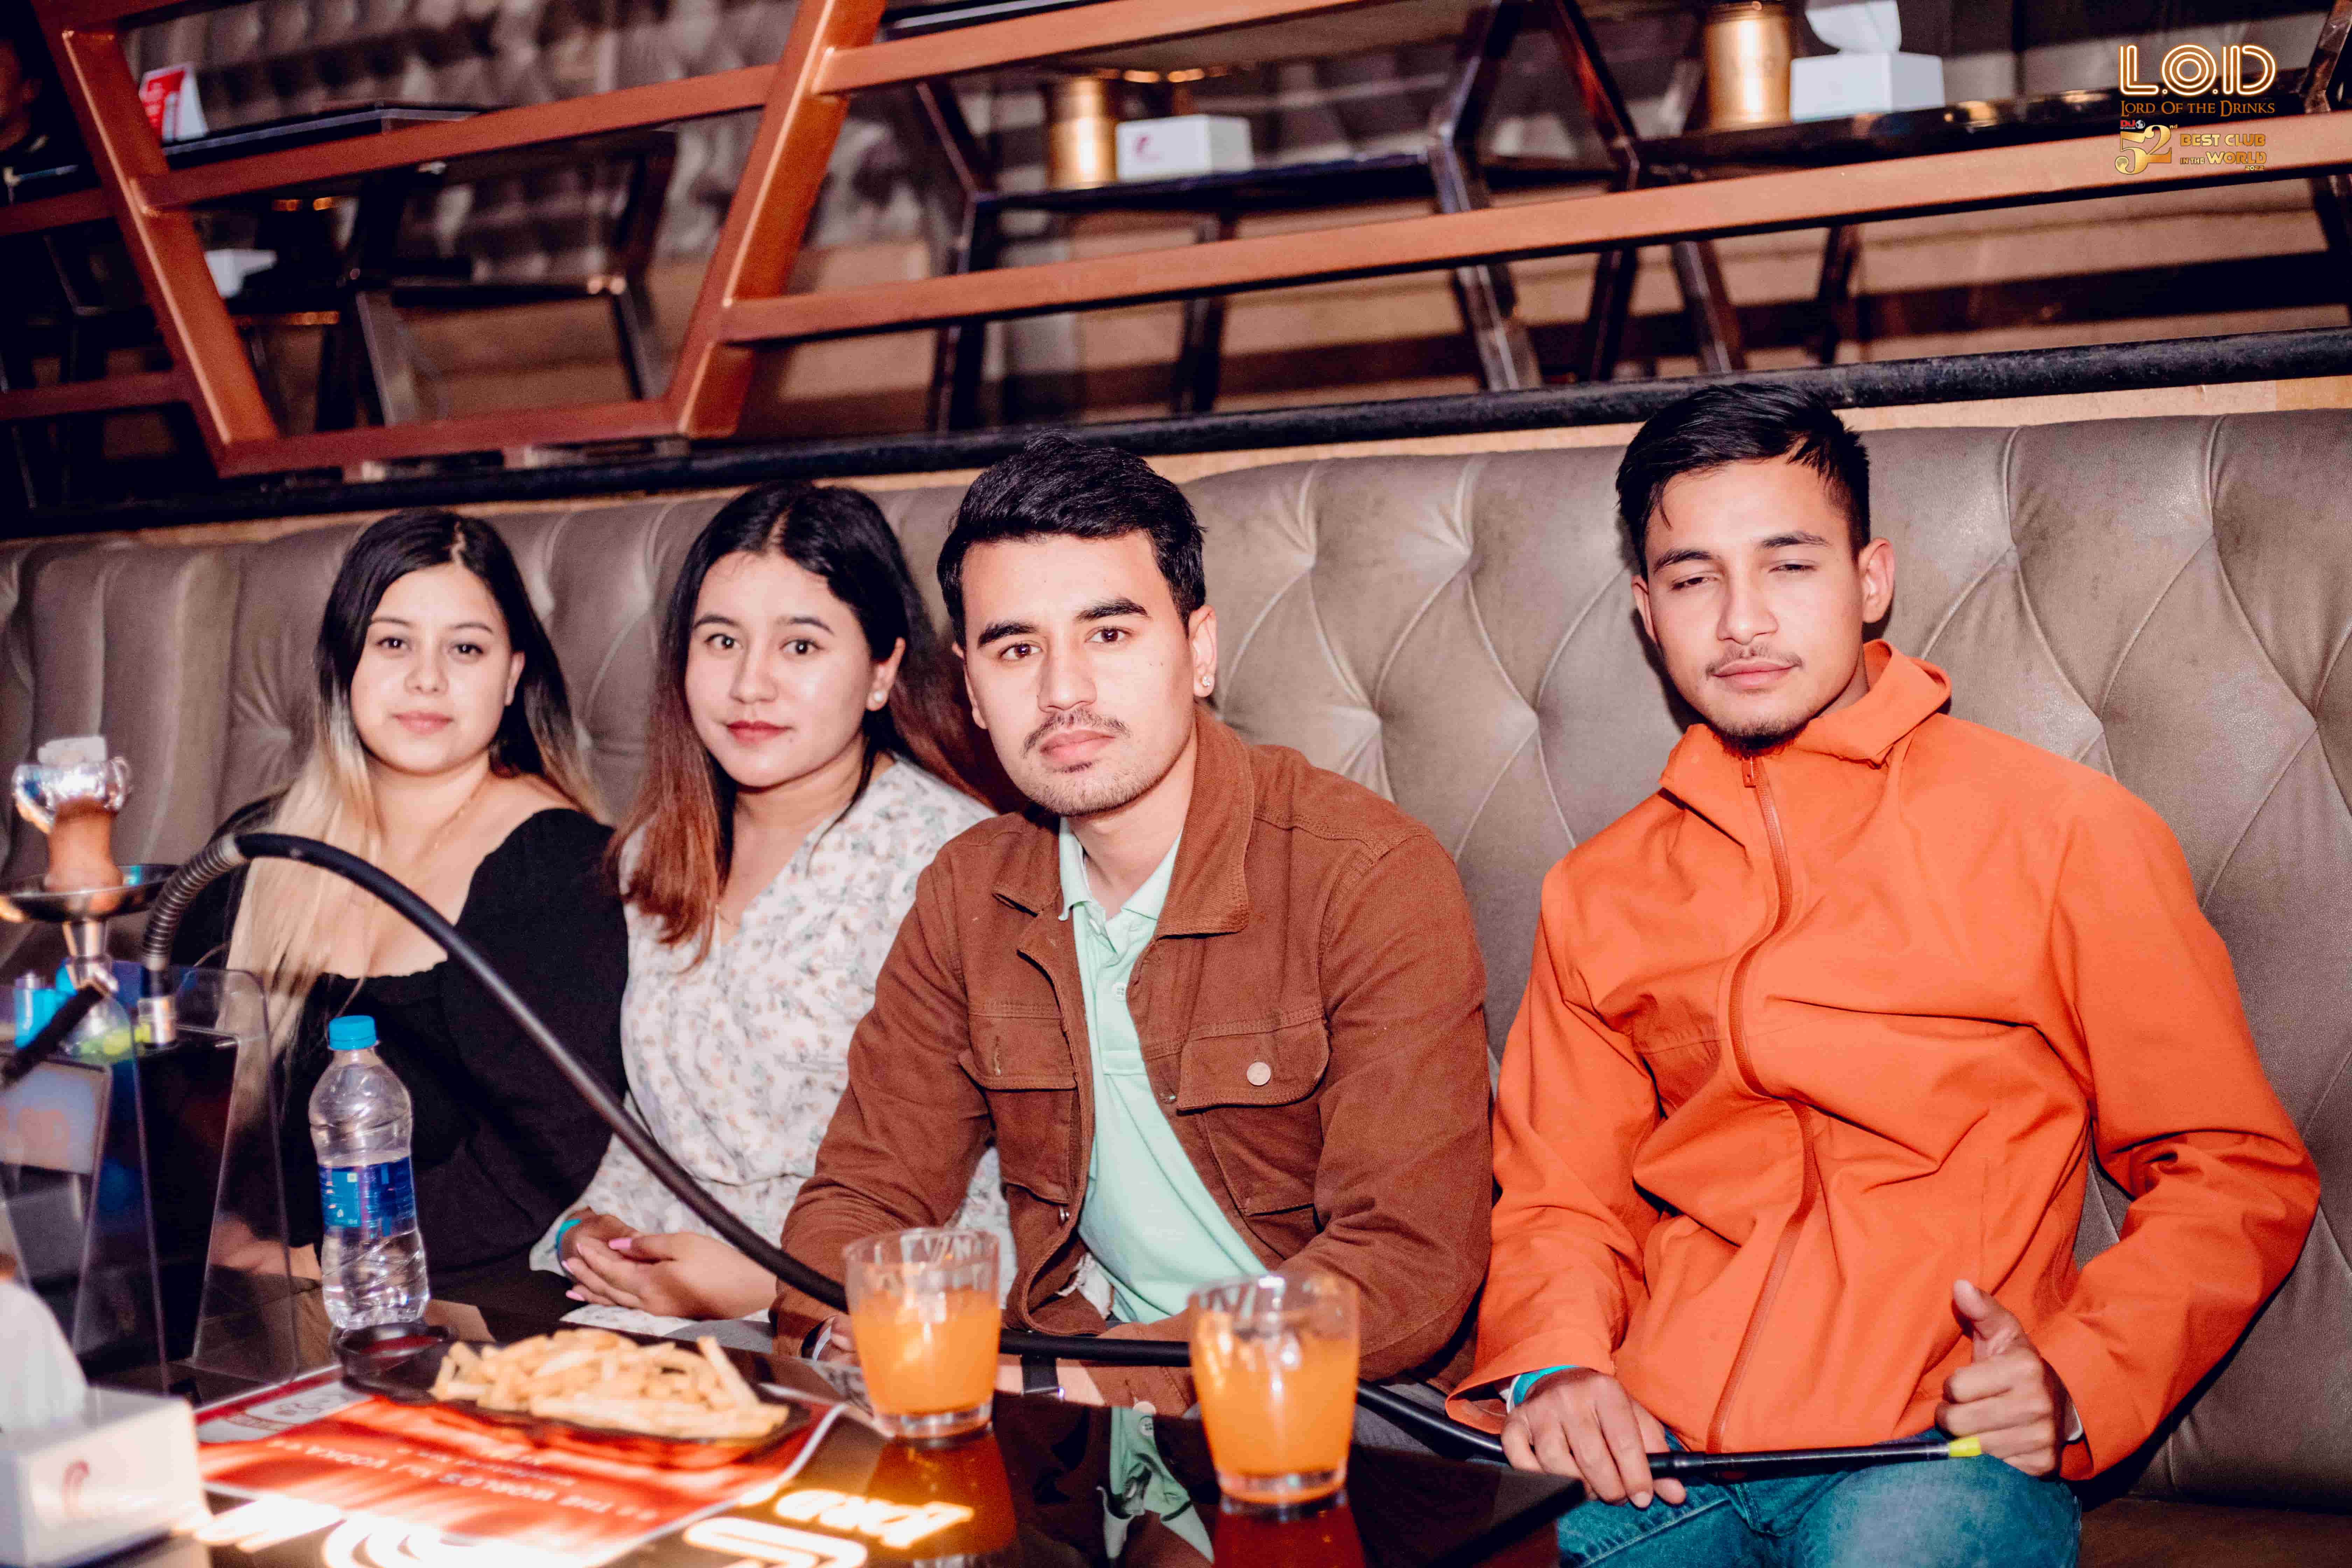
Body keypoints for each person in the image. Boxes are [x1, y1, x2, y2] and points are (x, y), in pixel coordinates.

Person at [1456, 384, 2320, 1567]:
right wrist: (1556, 1368)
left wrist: (2076, 1377)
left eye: (1789, 565)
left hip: (1935, 1451)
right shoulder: (1600, 889)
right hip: (1660, 1458)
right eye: (1695, 579)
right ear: (1648, 614)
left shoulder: (2063, 831)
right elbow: (1561, 1198)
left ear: (1871, 581)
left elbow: (2232, 1169)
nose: (1743, 621)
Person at [778, 435, 1494, 1418]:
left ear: (1199, 651)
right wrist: (857, 1337)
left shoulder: (1365, 874)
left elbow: (1407, 1267)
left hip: (1345, 1405)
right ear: (972, 690)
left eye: (1109, 634)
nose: (1063, 691)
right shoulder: (966, 891)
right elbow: (865, 1192)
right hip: (1076, 1381)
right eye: (1017, 649)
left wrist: (1084, 1380)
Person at [538, 481, 1017, 1329]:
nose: (750, 684)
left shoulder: (955, 863)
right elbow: (651, 1130)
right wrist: (590, 1233)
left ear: (882, 671)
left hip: (879, 1323)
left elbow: (1014, 1189)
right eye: (722, 640)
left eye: (800, 645)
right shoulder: (653, 853)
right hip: (657, 1308)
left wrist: (773, 1283)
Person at [174, 508, 628, 1295]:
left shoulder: (557, 866)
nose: (428, 678)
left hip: (458, 1294)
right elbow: (174, 1096)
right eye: (393, 643)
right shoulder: (259, 848)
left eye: (466, 648)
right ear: (344, 661)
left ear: (512, 675)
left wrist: (314, 1264)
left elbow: (542, 1157)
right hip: (247, 1291)